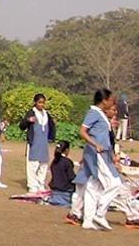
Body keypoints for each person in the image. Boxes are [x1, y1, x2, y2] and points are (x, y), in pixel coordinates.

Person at [73, 88, 121, 231]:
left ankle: (87, 219)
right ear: (104, 101)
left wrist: (111, 154)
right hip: (97, 154)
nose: (112, 103)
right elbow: (82, 131)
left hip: (102, 154)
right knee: (115, 183)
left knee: (93, 186)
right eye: (111, 100)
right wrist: (96, 144)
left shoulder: (101, 115)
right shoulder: (94, 113)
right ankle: (100, 213)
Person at [18, 93, 56, 193]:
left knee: (43, 164)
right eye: (39, 102)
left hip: (43, 143)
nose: (41, 105)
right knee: (33, 164)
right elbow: (21, 126)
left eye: (43, 103)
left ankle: (40, 183)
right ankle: (32, 185)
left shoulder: (46, 114)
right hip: (34, 142)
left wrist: (51, 137)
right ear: (35, 102)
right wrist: (28, 120)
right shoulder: (31, 113)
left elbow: (52, 126)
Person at [48, 141, 76, 207]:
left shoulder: (54, 161)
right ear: (67, 150)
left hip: (54, 191)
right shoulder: (67, 162)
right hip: (65, 192)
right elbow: (71, 177)